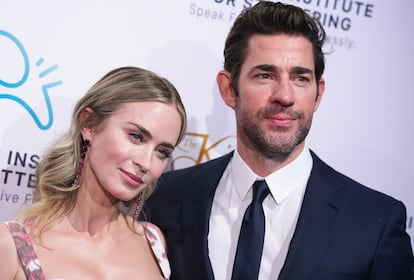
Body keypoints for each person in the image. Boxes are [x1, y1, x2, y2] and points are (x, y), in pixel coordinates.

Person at [142, 2, 414, 280]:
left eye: (300, 78)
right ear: (229, 89)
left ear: (318, 94)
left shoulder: (374, 221)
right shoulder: (165, 197)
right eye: (265, 75)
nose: (284, 95)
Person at [0, 66, 187, 280]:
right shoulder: (10, 246)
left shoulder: (153, 242)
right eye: (136, 136)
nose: (146, 163)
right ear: (89, 125)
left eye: (162, 152)